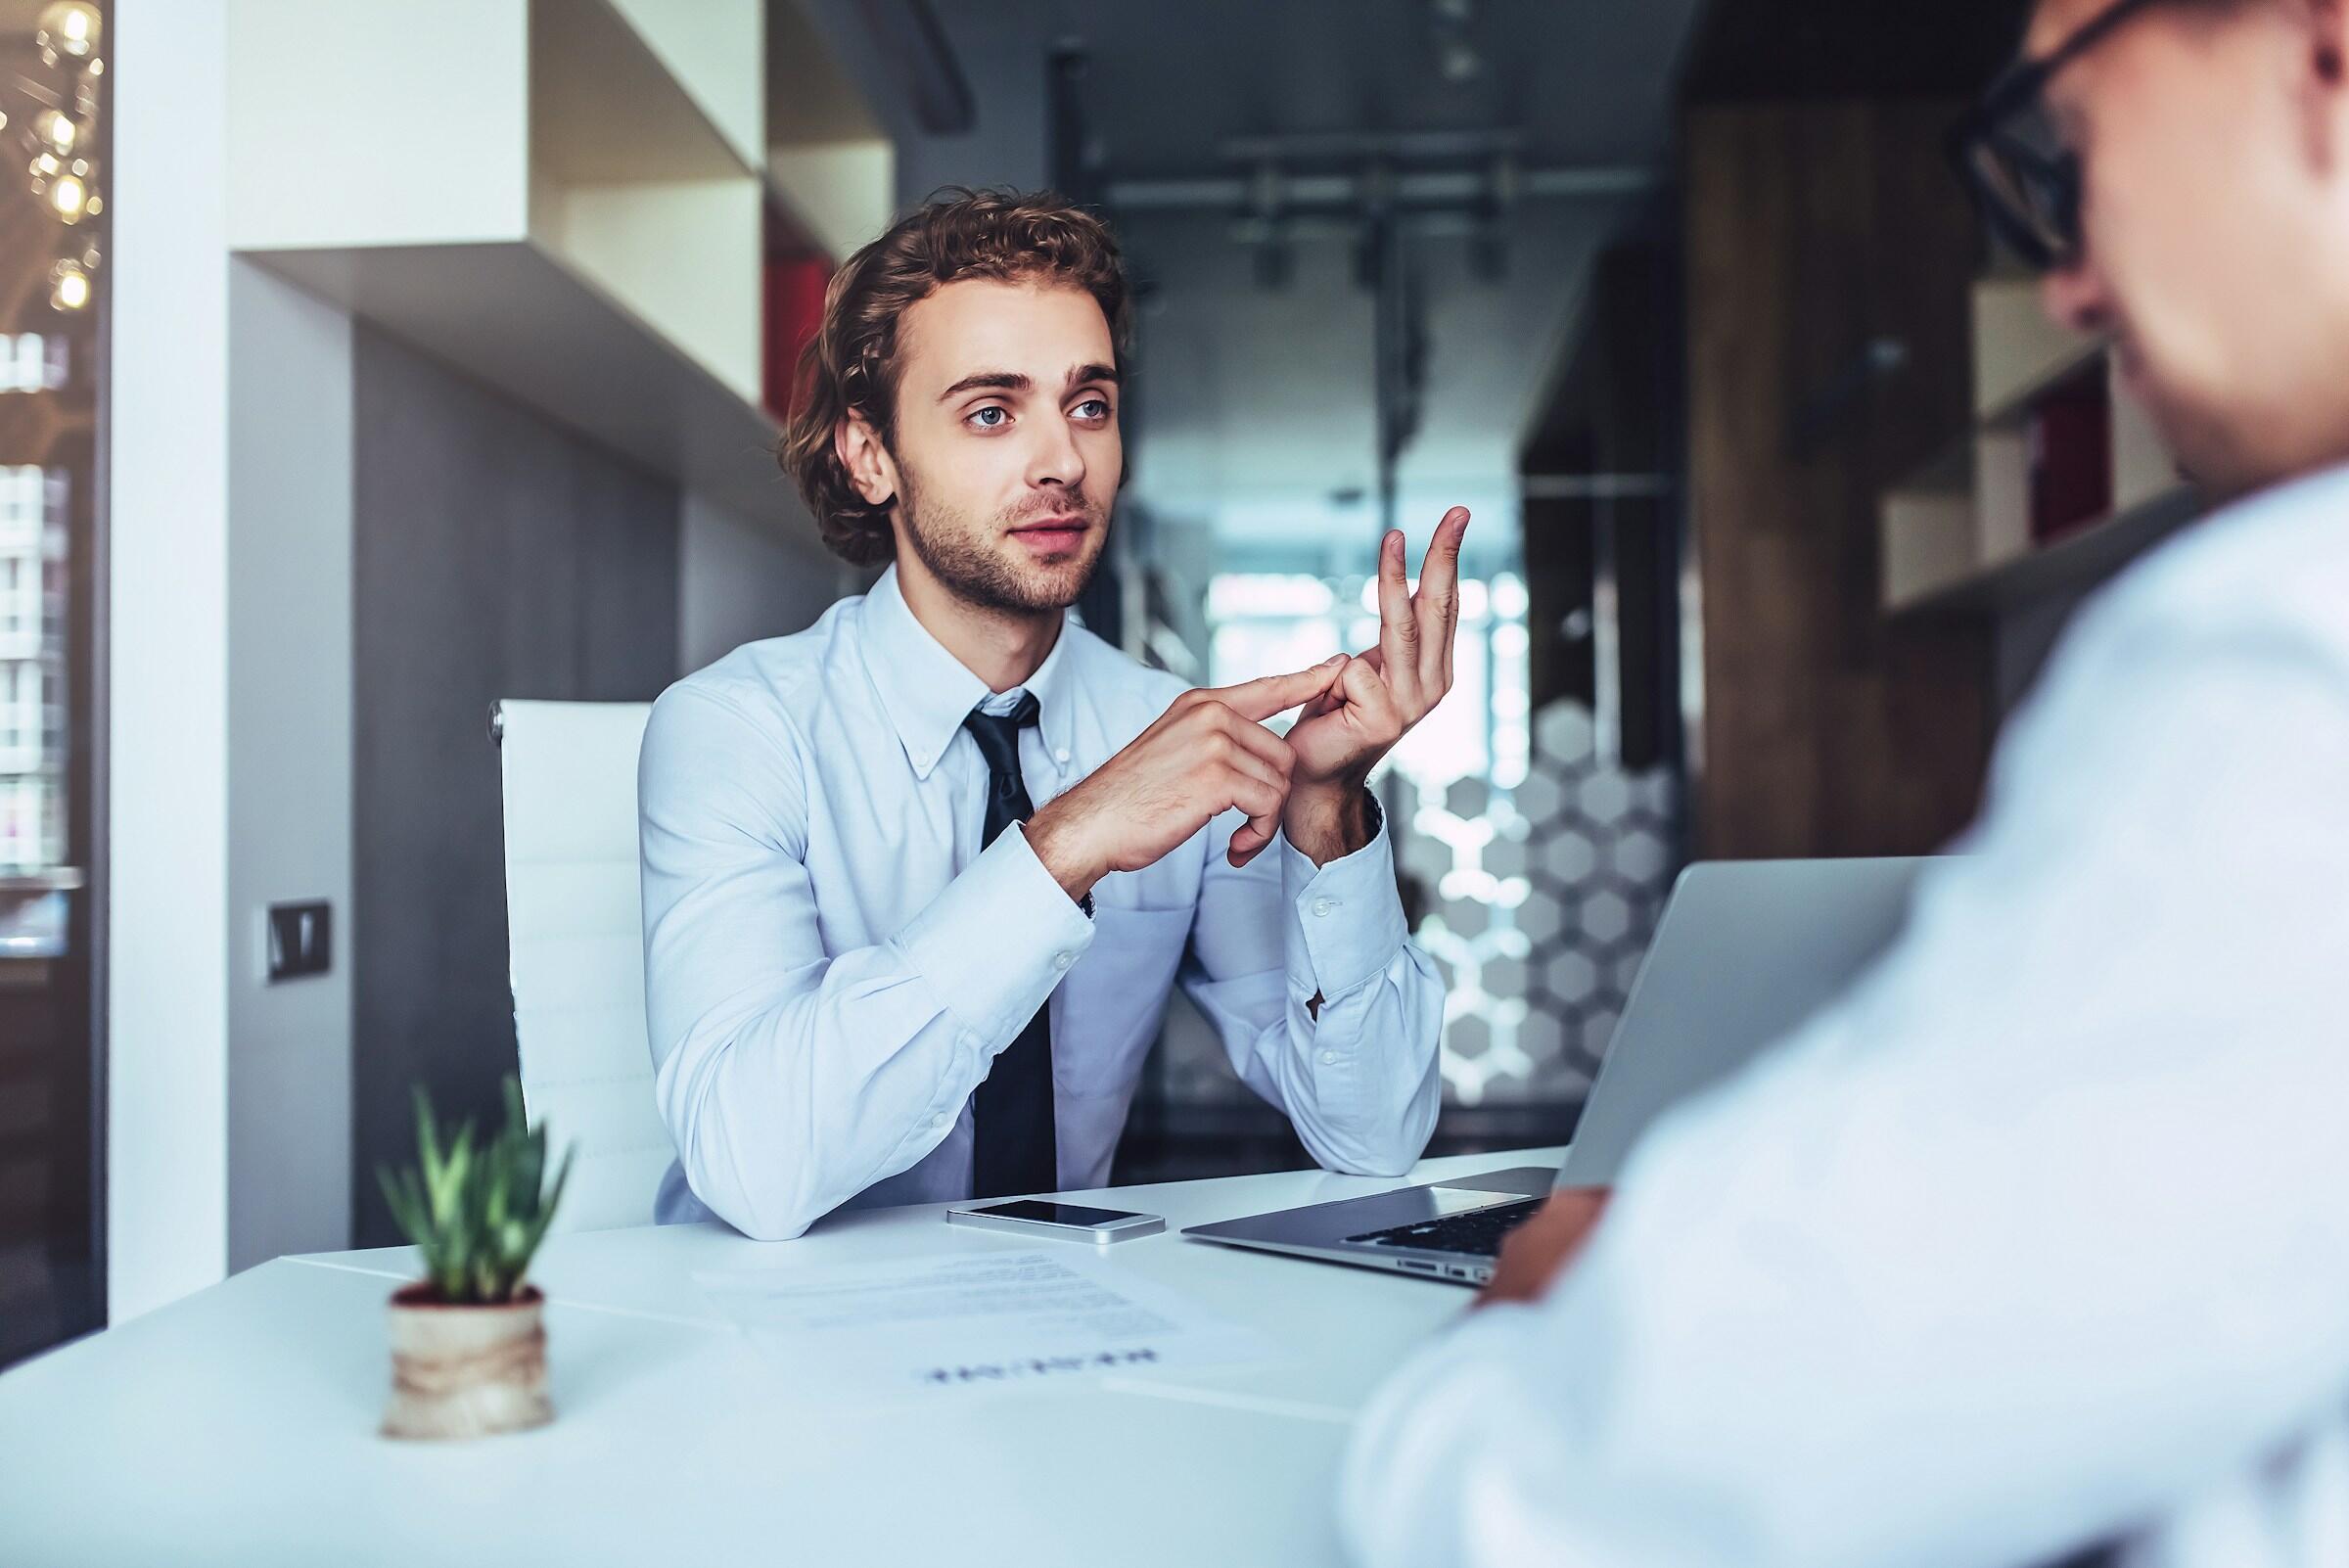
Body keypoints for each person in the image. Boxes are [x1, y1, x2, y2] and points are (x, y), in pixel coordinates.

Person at [1342, 1, 2349, 1564]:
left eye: (2068, 151)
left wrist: (1525, 1343)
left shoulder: (2286, 653)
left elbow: (1569, 1511)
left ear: (2324, 52)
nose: (2069, 281)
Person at [638, 190, 1463, 1241]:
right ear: (870, 455)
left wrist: (1326, 811)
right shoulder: (734, 729)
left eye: (1089, 405)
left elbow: (1372, 1138)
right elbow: (750, 1164)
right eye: (991, 411)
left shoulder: (1170, 733)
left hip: (1067, 1331)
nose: (1063, 463)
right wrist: (1067, 844)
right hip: (771, 1343)